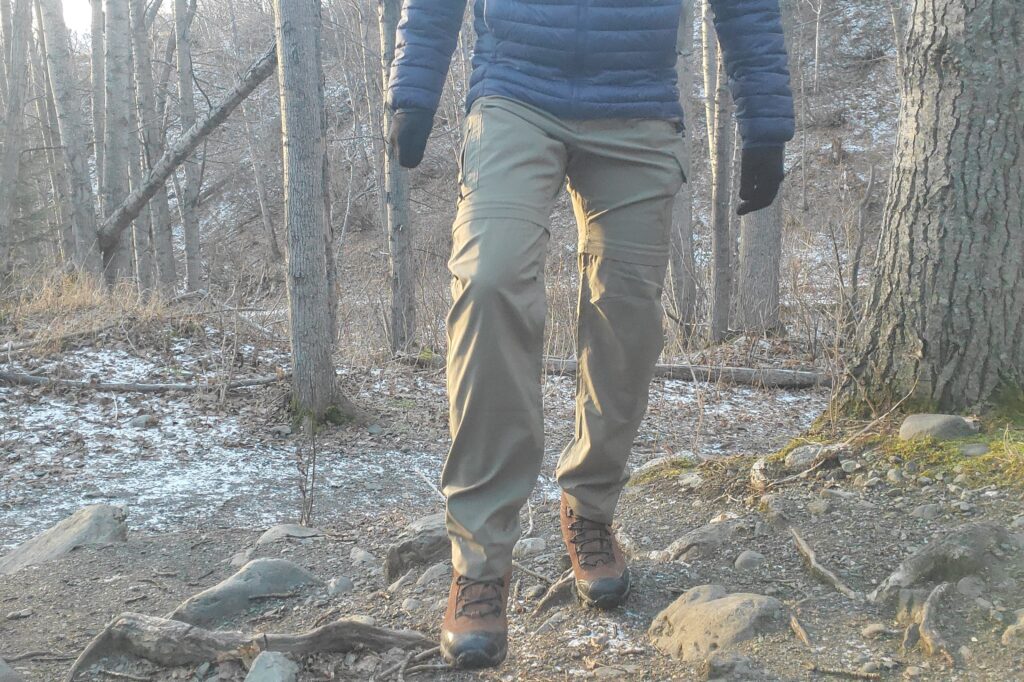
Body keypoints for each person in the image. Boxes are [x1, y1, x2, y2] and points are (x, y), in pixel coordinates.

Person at [386, 0, 794, 669]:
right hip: (516, 89)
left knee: (629, 310)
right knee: (488, 281)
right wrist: (413, 87)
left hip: (637, 103)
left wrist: (768, 124)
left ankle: (591, 507)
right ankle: (481, 561)